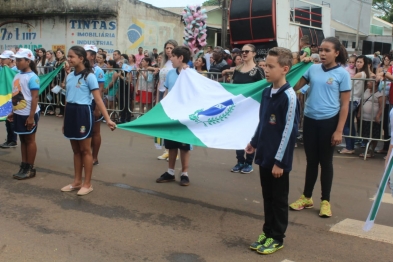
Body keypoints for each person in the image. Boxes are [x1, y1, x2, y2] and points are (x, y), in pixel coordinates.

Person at [290, 37, 351, 218]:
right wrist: (300, 65)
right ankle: (307, 197)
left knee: (326, 162)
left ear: (336, 53)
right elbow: (295, 86)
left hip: (329, 122)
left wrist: (339, 130)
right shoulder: (313, 69)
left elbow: (345, 105)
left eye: (327, 50)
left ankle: (325, 201)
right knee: (311, 161)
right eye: (321, 50)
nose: (322, 53)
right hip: (310, 120)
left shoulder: (342, 74)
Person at [246, 47, 299, 255]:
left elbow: (289, 132)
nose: (265, 69)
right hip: (265, 155)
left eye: (270, 66)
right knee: (267, 197)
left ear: (284, 69)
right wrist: (254, 142)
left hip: (278, 161)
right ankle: (267, 232)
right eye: (265, 65)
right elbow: (263, 122)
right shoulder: (267, 92)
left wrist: (280, 162)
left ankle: (277, 237)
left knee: (279, 199)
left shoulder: (289, 97)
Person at [61, 46, 116, 196]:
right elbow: (67, 100)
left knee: (85, 150)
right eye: (68, 56)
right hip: (71, 112)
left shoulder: (89, 76)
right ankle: (77, 181)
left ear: (81, 58)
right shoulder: (70, 76)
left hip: (83, 113)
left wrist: (108, 119)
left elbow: (98, 99)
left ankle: (87, 183)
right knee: (76, 150)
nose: (69, 59)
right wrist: (65, 121)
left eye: (72, 56)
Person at [224, 44, 265, 174]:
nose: (244, 53)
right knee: (238, 134)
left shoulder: (258, 71)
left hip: (252, 108)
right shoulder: (237, 69)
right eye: (242, 51)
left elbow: (263, 88)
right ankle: (239, 161)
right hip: (239, 108)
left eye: (247, 51)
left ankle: (249, 162)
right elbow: (234, 88)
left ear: (254, 53)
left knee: (250, 135)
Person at [156, 46, 192, 186]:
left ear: (181, 58)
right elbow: (166, 92)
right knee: (171, 144)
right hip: (171, 113)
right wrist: (162, 108)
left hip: (185, 115)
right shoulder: (170, 73)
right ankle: (170, 172)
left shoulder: (191, 74)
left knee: (184, 146)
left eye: (173, 56)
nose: (170, 58)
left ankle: (184, 173)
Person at [8, 48, 40, 180]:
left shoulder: (33, 77)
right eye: (16, 60)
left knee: (29, 139)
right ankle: (24, 165)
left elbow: (35, 98)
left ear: (28, 61)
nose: (17, 62)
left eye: (20, 60)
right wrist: (12, 111)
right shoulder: (17, 74)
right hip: (19, 112)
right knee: (22, 139)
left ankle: (30, 168)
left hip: (29, 113)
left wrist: (31, 116)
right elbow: (15, 94)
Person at [339, 55, 369, 154]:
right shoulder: (362, 73)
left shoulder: (360, 74)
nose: (357, 63)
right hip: (354, 100)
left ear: (364, 64)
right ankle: (350, 146)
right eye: (357, 62)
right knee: (350, 124)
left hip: (352, 100)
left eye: (360, 62)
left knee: (347, 124)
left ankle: (349, 147)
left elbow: (347, 84)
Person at [156, 40, 179, 160]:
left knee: (171, 124)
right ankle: (167, 150)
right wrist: (157, 98)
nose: (168, 50)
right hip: (162, 93)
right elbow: (160, 82)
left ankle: (173, 151)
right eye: (167, 48)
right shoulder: (164, 63)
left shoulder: (177, 63)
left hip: (171, 95)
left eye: (171, 48)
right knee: (163, 124)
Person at [84, 45, 106, 166]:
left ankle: (94, 157)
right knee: (85, 130)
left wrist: (98, 107)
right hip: (83, 103)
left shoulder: (98, 71)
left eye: (85, 53)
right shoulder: (80, 69)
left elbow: (100, 90)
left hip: (94, 102)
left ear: (92, 56)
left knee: (95, 131)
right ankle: (85, 155)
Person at [357, 75, 384, 158]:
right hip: (365, 118)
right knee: (365, 134)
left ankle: (371, 151)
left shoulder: (380, 93)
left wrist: (378, 116)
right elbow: (362, 102)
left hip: (374, 119)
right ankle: (367, 150)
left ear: (375, 84)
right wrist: (359, 112)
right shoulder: (366, 91)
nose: (368, 83)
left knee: (374, 135)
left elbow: (382, 106)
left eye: (370, 82)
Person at [376, 55, 392, 154]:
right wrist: (384, 74)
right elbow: (378, 77)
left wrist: (385, 73)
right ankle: (386, 148)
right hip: (386, 100)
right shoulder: (386, 68)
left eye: (388, 60)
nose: (386, 61)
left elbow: (388, 75)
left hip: (389, 100)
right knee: (386, 125)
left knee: (389, 126)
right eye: (385, 59)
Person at [53, 49, 68, 117]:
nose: (58, 54)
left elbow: (66, 72)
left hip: (62, 80)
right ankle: (59, 111)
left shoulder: (65, 62)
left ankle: (63, 112)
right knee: (58, 95)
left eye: (59, 53)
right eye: (57, 53)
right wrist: (53, 82)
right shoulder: (56, 62)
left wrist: (63, 82)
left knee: (63, 96)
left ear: (63, 54)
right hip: (57, 80)